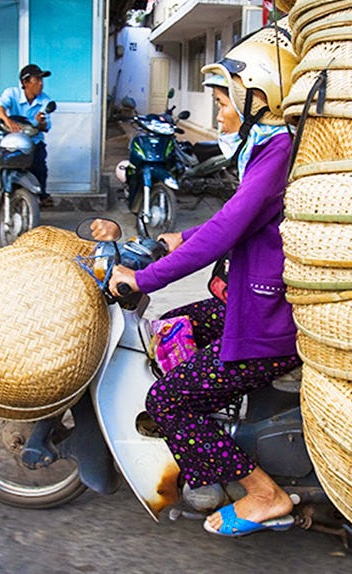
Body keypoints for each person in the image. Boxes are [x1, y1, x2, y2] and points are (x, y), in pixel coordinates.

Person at [106, 32, 301, 538]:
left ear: (254, 98)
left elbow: (228, 230)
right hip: (253, 302)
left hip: (266, 324)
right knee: (174, 325)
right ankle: (207, 447)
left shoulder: (277, 150)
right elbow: (242, 220)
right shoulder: (267, 148)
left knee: (168, 400)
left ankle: (263, 493)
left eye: (221, 102)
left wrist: (142, 278)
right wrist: (181, 237)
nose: (216, 114)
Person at [0, 64, 54, 206]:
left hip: (33, 142)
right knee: (5, 164)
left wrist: (41, 123)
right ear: (25, 82)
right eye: (37, 79)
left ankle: (42, 195)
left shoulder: (45, 100)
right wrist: (7, 121)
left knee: (40, 167)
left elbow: (46, 125)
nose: (41, 83)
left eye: (41, 80)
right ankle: (5, 191)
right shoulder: (11, 93)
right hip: (12, 141)